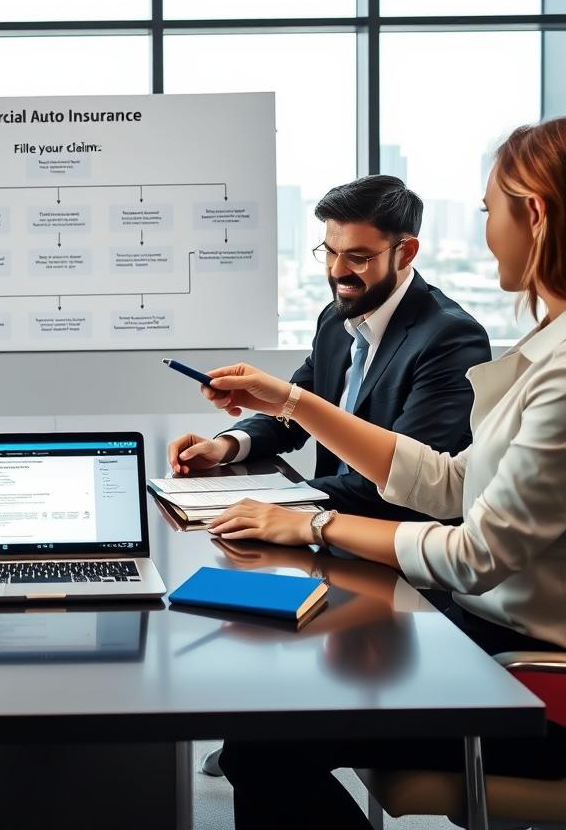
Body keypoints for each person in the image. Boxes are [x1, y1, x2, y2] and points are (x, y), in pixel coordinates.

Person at [194, 120, 566, 829]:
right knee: (270, 691)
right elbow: (456, 483)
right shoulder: (549, 341)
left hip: (526, 674)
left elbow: (474, 550)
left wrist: (314, 522)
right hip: (480, 632)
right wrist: (288, 402)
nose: (486, 229)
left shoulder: (530, 359)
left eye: (489, 211)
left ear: (536, 215)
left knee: (264, 742)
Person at [169, 175, 491, 521]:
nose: (337, 271)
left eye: (358, 257)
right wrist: (227, 446)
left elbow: (412, 483)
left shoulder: (451, 338)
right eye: (330, 252)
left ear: (406, 253)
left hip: (399, 549)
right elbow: (294, 413)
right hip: (322, 530)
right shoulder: (336, 319)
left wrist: (279, 502)